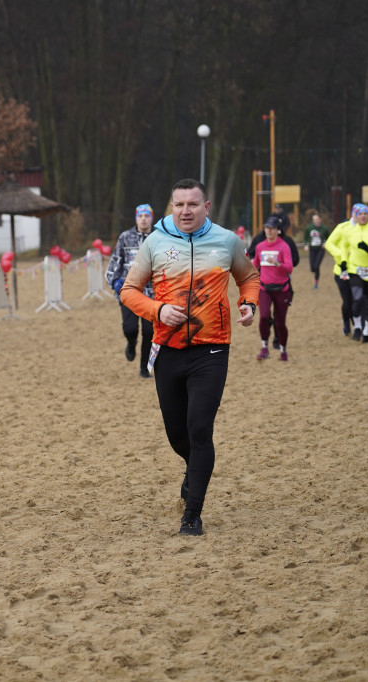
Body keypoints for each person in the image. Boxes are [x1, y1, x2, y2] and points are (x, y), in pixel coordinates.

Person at [120, 179, 260, 537]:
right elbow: (129, 291)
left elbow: (249, 277)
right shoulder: (155, 241)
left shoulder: (227, 240)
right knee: (177, 435)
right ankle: (194, 468)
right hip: (167, 349)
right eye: (179, 204)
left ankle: (192, 514)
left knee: (200, 428)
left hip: (212, 348)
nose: (185, 211)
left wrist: (248, 303)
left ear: (207, 206)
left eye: (193, 204)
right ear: (170, 206)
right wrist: (157, 309)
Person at [105, 204, 156, 378]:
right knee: (130, 328)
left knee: (150, 332)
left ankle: (144, 368)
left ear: (151, 218)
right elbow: (114, 263)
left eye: (146, 216)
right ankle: (131, 343)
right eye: (140, 216)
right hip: (129, 292)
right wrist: (115, 282)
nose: (143, 219)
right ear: (136, 218)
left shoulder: (160, 238)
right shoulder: (125, 238)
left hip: (152, 294)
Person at [336, 203, 368, 343]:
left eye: (365, 213)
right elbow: (343, 246)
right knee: (357, 299)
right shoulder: (349, 232)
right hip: (355, 270)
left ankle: (367, 332)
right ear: (355, 216)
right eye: (360, 214)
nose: (363, 216)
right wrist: (344, 261)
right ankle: (358, 327)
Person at [247, 218, 298, 350]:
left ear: (278, 230)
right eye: (267, 227)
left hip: (282, 288)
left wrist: (278, 264)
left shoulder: (284, 246)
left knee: (280, 321)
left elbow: (290, 267)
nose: (269, 230)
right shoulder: (260, 246)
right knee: (264, 316)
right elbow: (255, 264)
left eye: (272, 228)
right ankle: (264, 344)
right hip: (264, 287)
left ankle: (281, 344)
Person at [324, 212, 357, 337]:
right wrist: (341, 254)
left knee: (358, 300)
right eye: (358, 213)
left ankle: (357, 325)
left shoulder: (367, 229)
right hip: (342, 270)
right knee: (348, 301)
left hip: (359, 270)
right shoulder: (342, 227)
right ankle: (346, 322)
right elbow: (329, 243)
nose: (361, 216)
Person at [303, 213, 330, 289]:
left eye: (317, 219)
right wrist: (305, 245)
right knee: (312, 268)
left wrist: (325, 243)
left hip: (320, 249)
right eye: (314, 219)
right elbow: (305, 237)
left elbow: (329, 238)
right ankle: (315, 272)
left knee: (317, 266)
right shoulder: (309, 228)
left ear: (320, 220)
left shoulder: (324, 228)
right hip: (312, 249)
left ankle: (316, 283)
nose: (316, 221)